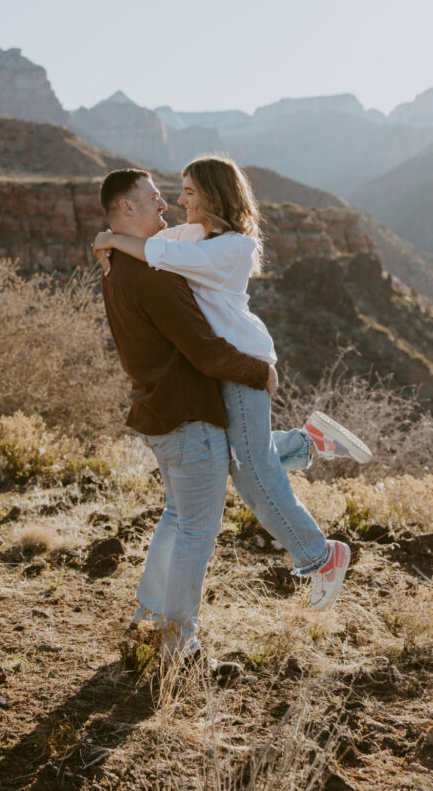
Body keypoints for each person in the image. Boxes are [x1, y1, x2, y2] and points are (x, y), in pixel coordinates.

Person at [96, 164, 370, 655]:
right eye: (164, 195)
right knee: (237, 474)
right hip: (216, 376)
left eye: (183, 194)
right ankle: (309, 445)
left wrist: (258, 371)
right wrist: (109, 238)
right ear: (127, 207)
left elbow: (159, 261)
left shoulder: (226, 246)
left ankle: (316, 556)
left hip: (241, 364)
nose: (172, 203)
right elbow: (155, 247)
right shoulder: (182, 240)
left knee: (249, 473)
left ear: (214, 197)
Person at [97, 168, 274, 661]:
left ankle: (148, 618)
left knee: (177, 518)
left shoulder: (115, 263)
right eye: (153, 199)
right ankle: (177, 643)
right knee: (197, 530)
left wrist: (107, 237)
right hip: (186, 413)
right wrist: (260, 372)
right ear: (127, 208)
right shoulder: (153, 276)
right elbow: (205, 351)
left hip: (157, 408)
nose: (165, 205)